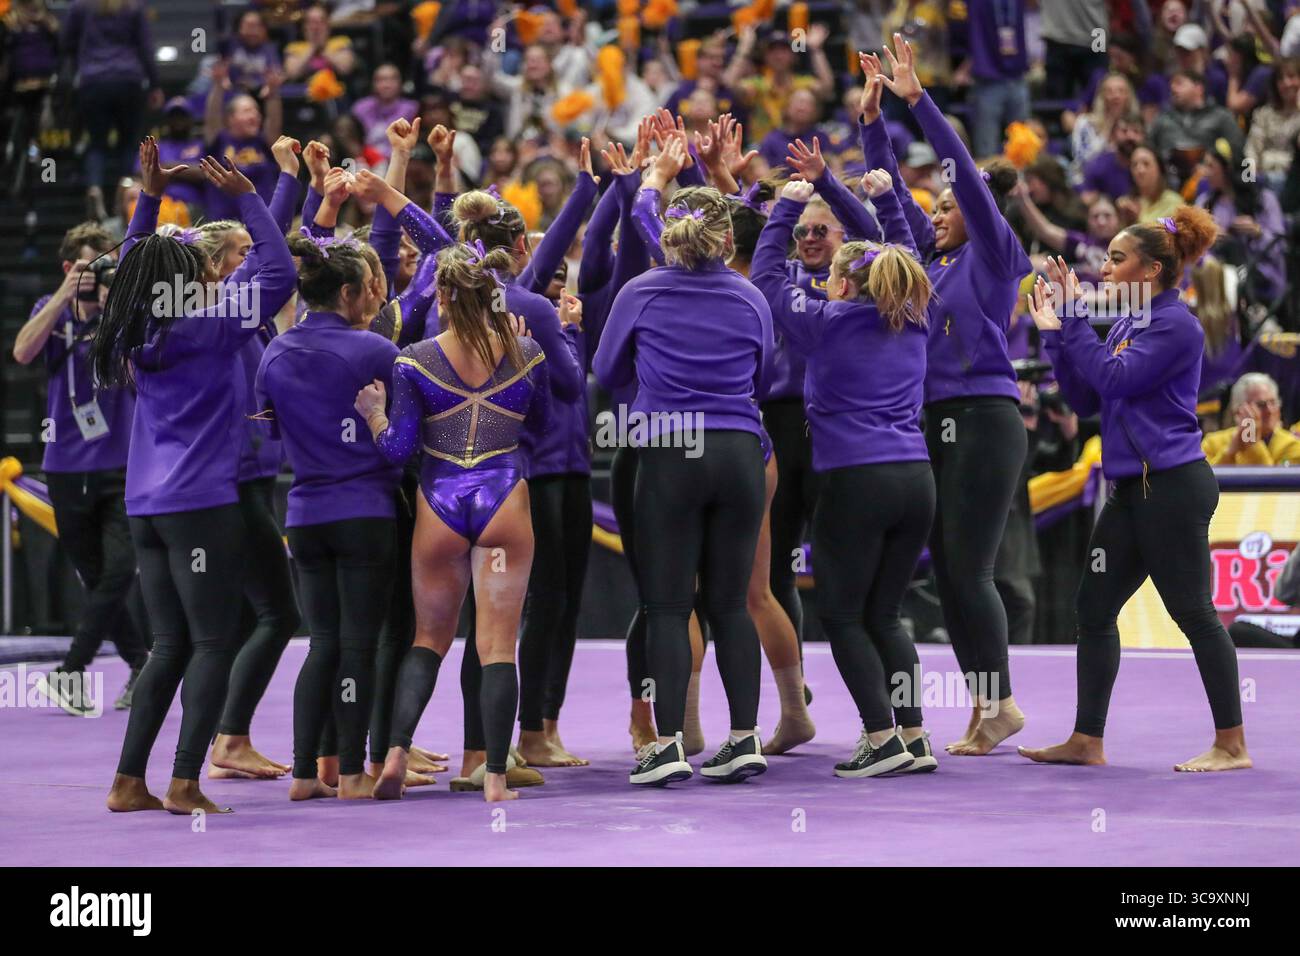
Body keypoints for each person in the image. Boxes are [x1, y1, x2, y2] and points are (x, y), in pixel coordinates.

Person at [95, 141, 295, 813]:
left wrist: (149, 199)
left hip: (145, 504)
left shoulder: (133, 326)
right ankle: (184, 782)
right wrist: (243, 193)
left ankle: (128, 781)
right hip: (201, 504)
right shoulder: (210, 325)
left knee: (168, 645)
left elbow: (131, 267)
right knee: (212, 642)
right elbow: (280, 276)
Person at [1021, 210, 1252, 773]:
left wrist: (1074, 315)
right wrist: (1056, 338)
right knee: (1093, 608)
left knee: (1194, 612)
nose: (1104, 267)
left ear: (1150, 270)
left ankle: (1232, 744)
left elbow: (1116, 379)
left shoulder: (1176, 324)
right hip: (1132, 489)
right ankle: (1087, 739)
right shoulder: (1131, 323)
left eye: (1115, 258)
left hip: (1171, 487)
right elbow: (1087, 399)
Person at [594, 138, 774, 787]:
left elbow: (605, 370)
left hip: (669, 447)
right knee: (731, 603)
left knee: (669, 606)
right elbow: (766, 374)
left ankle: (666, 744)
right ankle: (745, 737)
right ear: (727, 240)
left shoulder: (642, 289)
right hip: (738, 451)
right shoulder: (752, 297)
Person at [867, 39, 1030, 755]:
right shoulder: (933, 263)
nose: (935, 212)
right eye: (933, 206)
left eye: (947, 205)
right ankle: (983, 706)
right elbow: (892, 197)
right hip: (935, 420)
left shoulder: (993, 253)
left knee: (970, 567)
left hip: (985, 418)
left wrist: (916, 101)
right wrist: (873, 121)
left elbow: (960, 171)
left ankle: (1000, 702)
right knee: (949, 566)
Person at [752, 166, 938, 777]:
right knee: (885, 614)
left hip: (856, 481)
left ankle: (880, 736)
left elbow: (765, 279)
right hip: (916, 478)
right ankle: (912, 733)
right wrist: (869, 196)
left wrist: (786, 207)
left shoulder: (826, 324)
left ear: (840, 285)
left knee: (843, 615)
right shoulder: (912, 317)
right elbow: (903, 248)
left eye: (830, 275)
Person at [357, 240, 551, 804]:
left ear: (441, 295)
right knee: (497, 646)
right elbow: (539, 421)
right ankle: (493, 775)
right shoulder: (525, 352)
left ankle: (395, 751)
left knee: (427, 639)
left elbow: (396, 449)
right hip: (502, 501)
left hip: (439, 503)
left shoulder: (413, 358)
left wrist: (373, 416)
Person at [257, 224, 403, 801]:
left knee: (322, 642)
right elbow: (406, 434)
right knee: (359, 645)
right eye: (369, 288)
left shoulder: (274, 350)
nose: (376, 297)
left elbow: (264, 428)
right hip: (364, 510)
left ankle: (301, 775)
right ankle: (348, 774)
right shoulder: (375, 351)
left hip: (304, 512)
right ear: (347, 294)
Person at [13, 221, 147, 715]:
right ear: (70, 269)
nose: (98, 277)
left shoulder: (119, 317)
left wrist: (115, 309)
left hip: (122, 465)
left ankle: (71, 670)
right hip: (66, 466)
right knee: (96, 577)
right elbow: (23, 350)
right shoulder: (51, 316)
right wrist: (63, 297)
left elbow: (139, 372)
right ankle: (141, 663)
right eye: (90, 269)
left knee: (117, 572)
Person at [61, 0, 163, 221]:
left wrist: (81, 60)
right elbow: (146, 47)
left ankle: (95, 188)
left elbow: (66, 41)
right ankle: (126, 191)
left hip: (93, 78)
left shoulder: (80, 6)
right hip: (129, 78)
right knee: (129, 141)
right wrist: (155, 85)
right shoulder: (133, 6)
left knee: (97, 142)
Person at [1202, 373, 1300, 466]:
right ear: (1238, 411)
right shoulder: (1212, 443)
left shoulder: (1293, 445)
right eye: (1261, 405)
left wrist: (1253, 444)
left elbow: (1273, 482)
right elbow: (1205, 481)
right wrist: (1230, 452)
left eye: (1273, 402)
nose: (1270, 410)